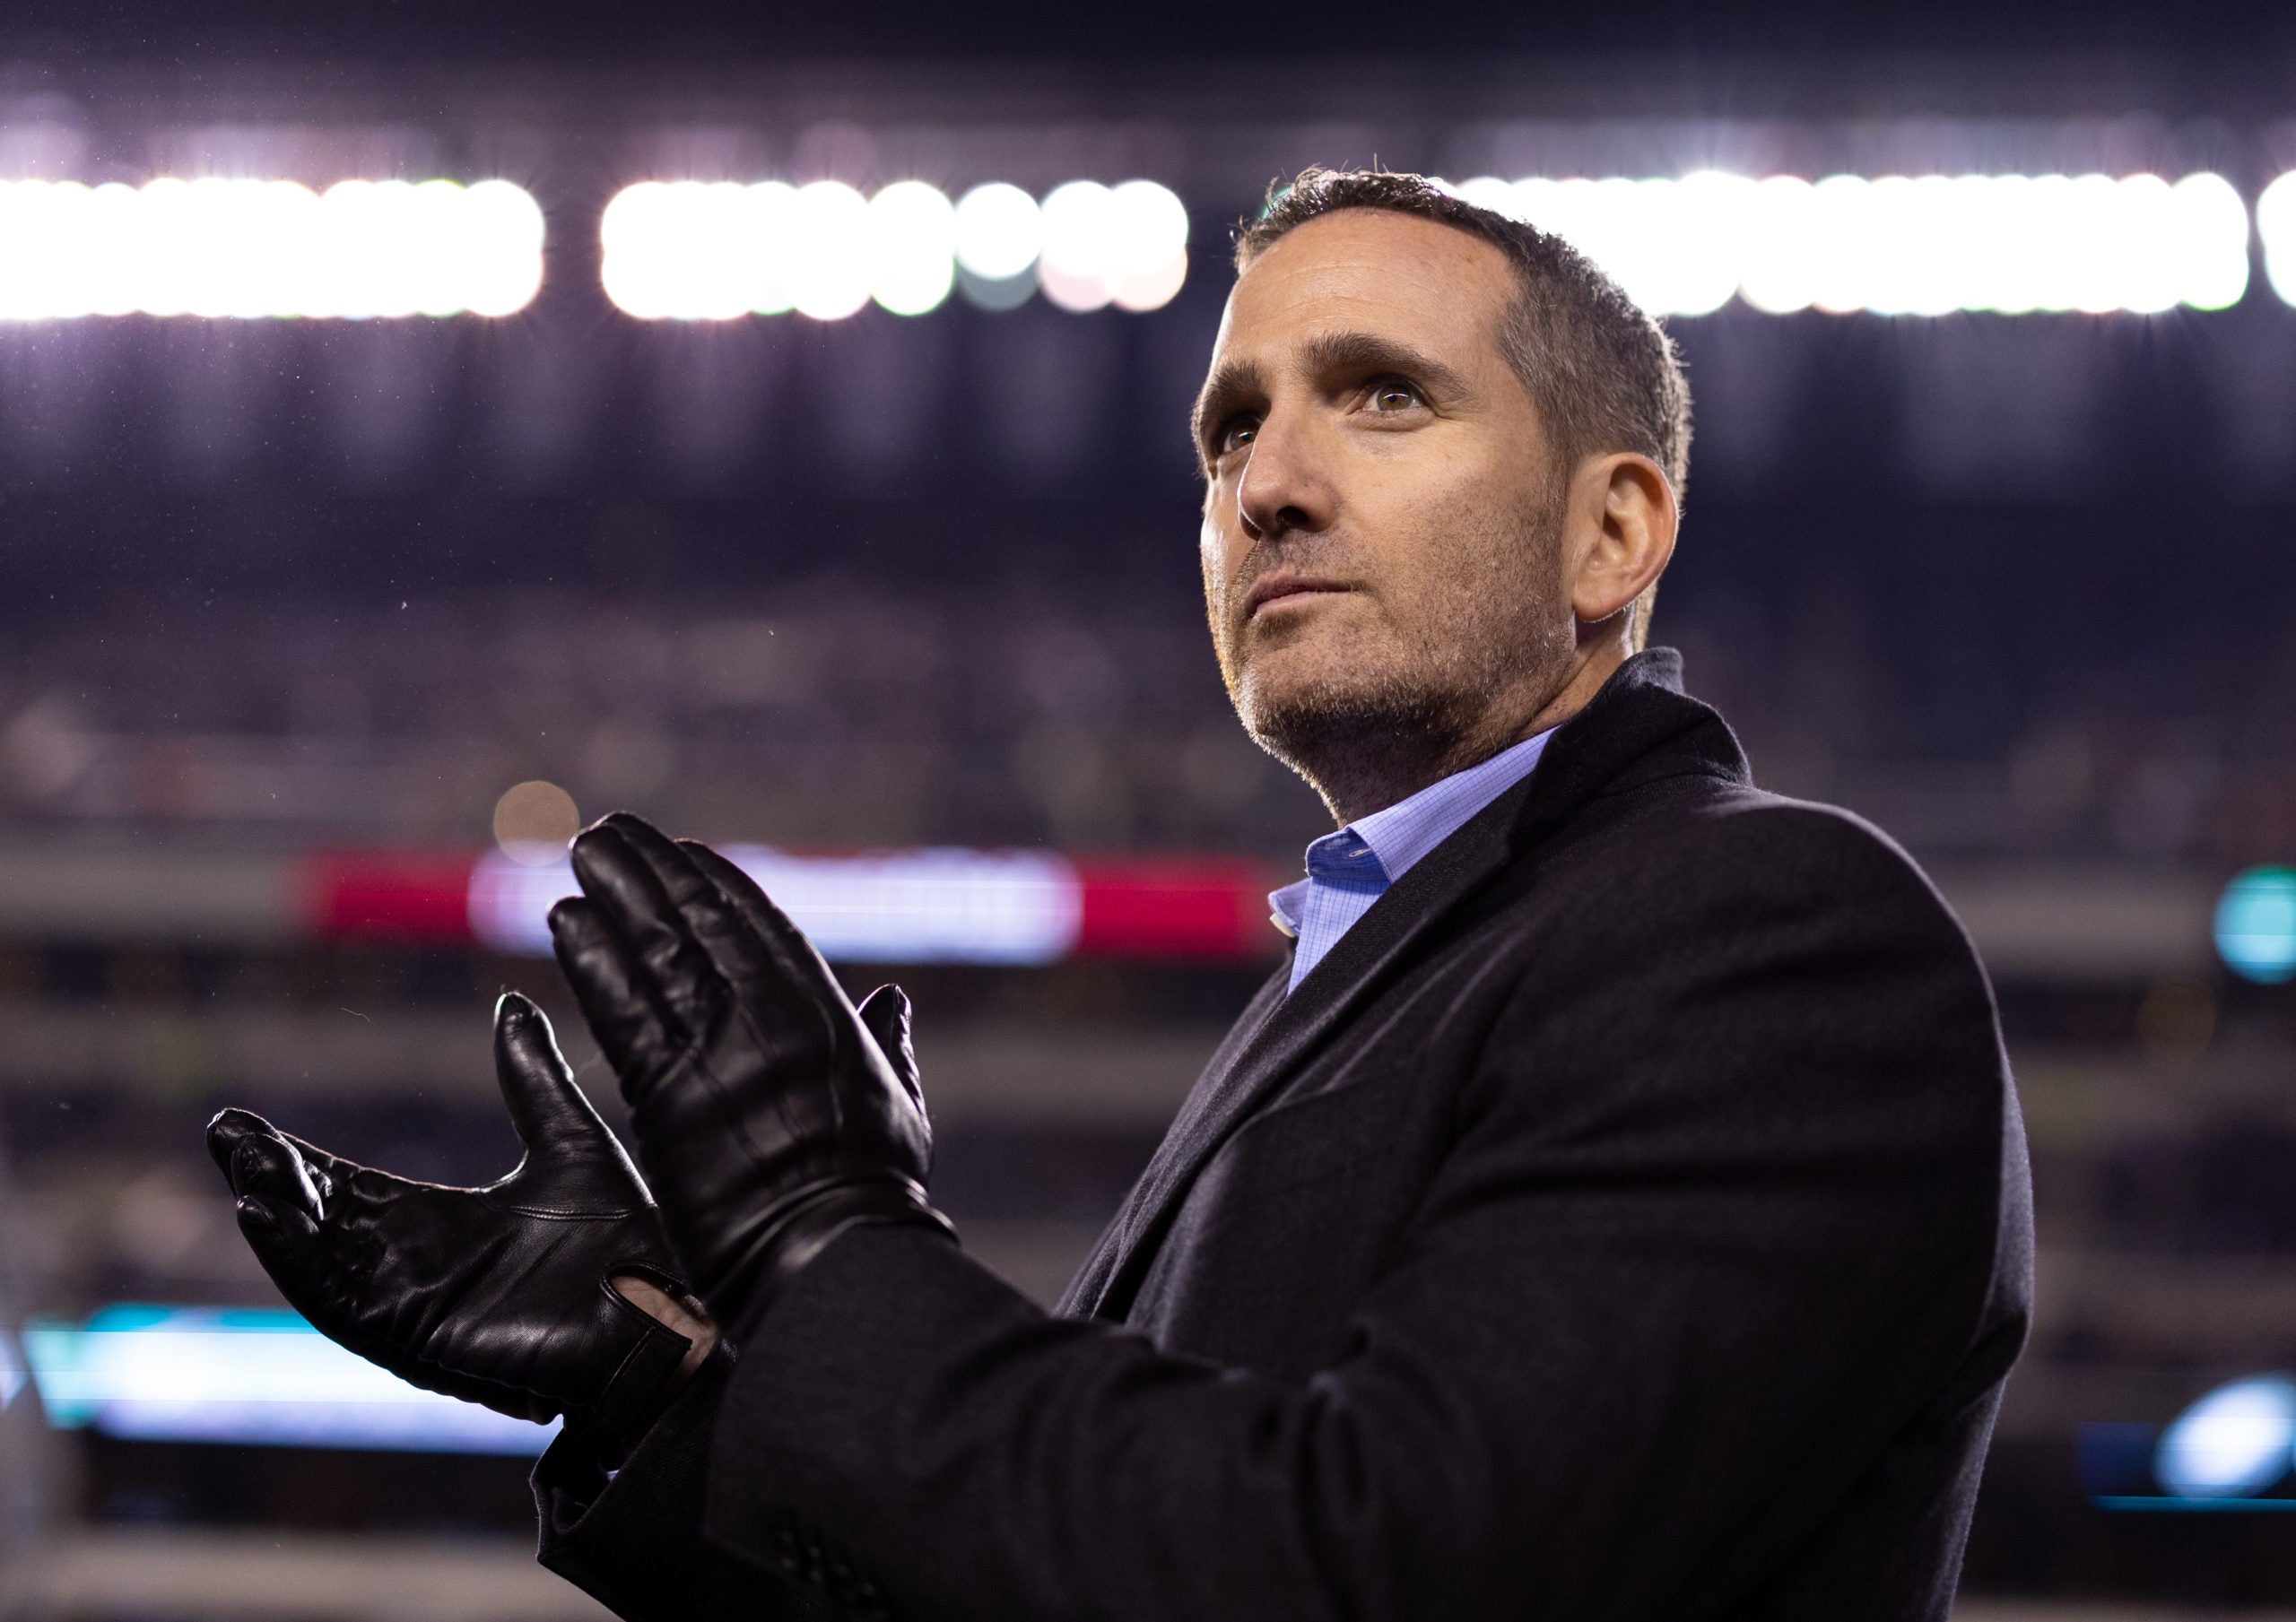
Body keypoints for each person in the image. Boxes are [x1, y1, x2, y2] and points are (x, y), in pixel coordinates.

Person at [209, 168, 2031, 1621]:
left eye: (1380, 398)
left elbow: (1376, 1574)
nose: (1271, 485)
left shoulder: (1768, 928)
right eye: (1229, 433)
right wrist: (671, 1377)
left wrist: (824, 1239)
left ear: (1608, 531)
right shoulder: (1360, 976)